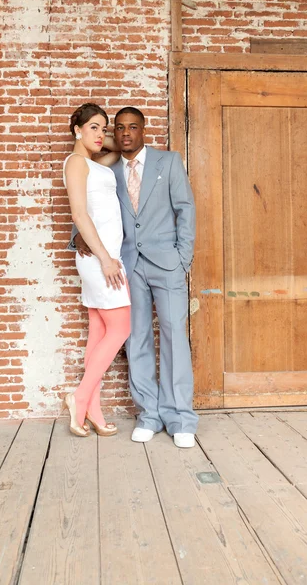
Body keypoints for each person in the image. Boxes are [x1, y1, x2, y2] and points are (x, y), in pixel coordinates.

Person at [71, 107, 199, 448]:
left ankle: (180, 417)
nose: (126, 133)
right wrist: (76, 237)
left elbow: (185, 209)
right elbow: (86, 203)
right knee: (136, 338)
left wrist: (182, 258)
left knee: (173, 336)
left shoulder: (168, 162)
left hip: (167, 263)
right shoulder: (107, 167)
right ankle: (149, 415)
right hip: (128, 265)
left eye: (133, 127)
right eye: (120, 128)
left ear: (144, 130)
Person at [62, 103, 131, 437]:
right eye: (93, 127)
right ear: (76, 129)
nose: (101, 134)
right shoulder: (76, 163)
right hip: (100, 260)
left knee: (100, 333)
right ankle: (78, 397)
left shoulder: (95, 162)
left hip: (107, 256)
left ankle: (93, 410)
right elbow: (79, 214)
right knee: (121, 328)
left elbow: (119, 146)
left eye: (104, 128)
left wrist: (101, 137)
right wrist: (105, 258)